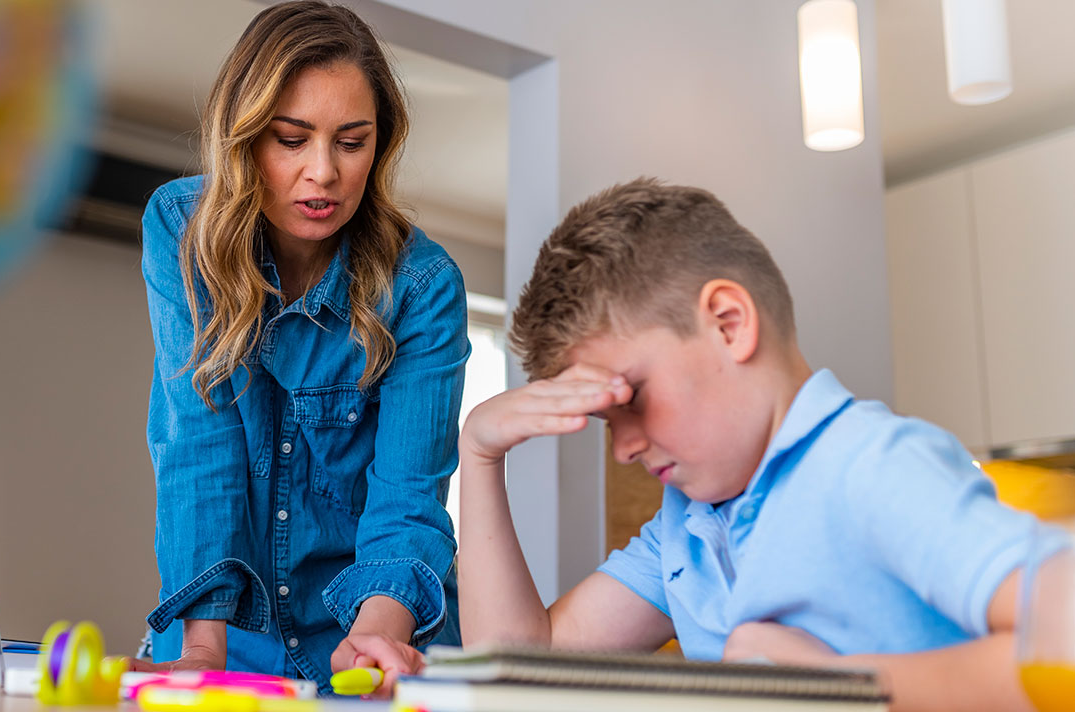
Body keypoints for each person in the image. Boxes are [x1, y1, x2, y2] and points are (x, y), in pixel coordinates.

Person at [448, 178, 1050, 712]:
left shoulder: (869, 465)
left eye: (630, 398)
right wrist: (478, 453)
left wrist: (831, 685)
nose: (623, 449)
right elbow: (526, 664)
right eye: (607, 422)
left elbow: (1063, 630)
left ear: (729, 323)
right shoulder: (684, 525)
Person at [132, 0, 468, 694]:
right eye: (291, 138)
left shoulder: (424, 285)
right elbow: (197, 442)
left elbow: (409, 495)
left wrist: (378, 635)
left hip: (371, 631)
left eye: (352, 141)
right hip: (223, 632)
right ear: (244, 135)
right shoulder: (180, 228)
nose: (324, 172)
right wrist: (200, 650)